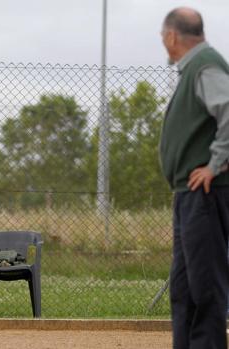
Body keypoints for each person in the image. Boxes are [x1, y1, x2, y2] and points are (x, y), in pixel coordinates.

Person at [159, 7, 229, 349]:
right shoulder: (194, 70)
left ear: (172, 36)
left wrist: (216, 164)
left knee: (205, 289)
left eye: (163, 38)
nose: (164, 44)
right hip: (188, 195)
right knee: (184, 289)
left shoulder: (205, 65)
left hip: (205, 193)